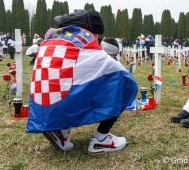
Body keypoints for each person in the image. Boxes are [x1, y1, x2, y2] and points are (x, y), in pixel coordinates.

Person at [26, 10, 138, 154]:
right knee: (125, 84)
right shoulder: (86, 44)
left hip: (46, 105)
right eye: (97, 35)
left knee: (75, 86)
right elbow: (121, 74)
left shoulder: (51, 41)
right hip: (64, 99)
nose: (97, 39)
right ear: (92, 31)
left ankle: (61, 131)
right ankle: (102, 139)